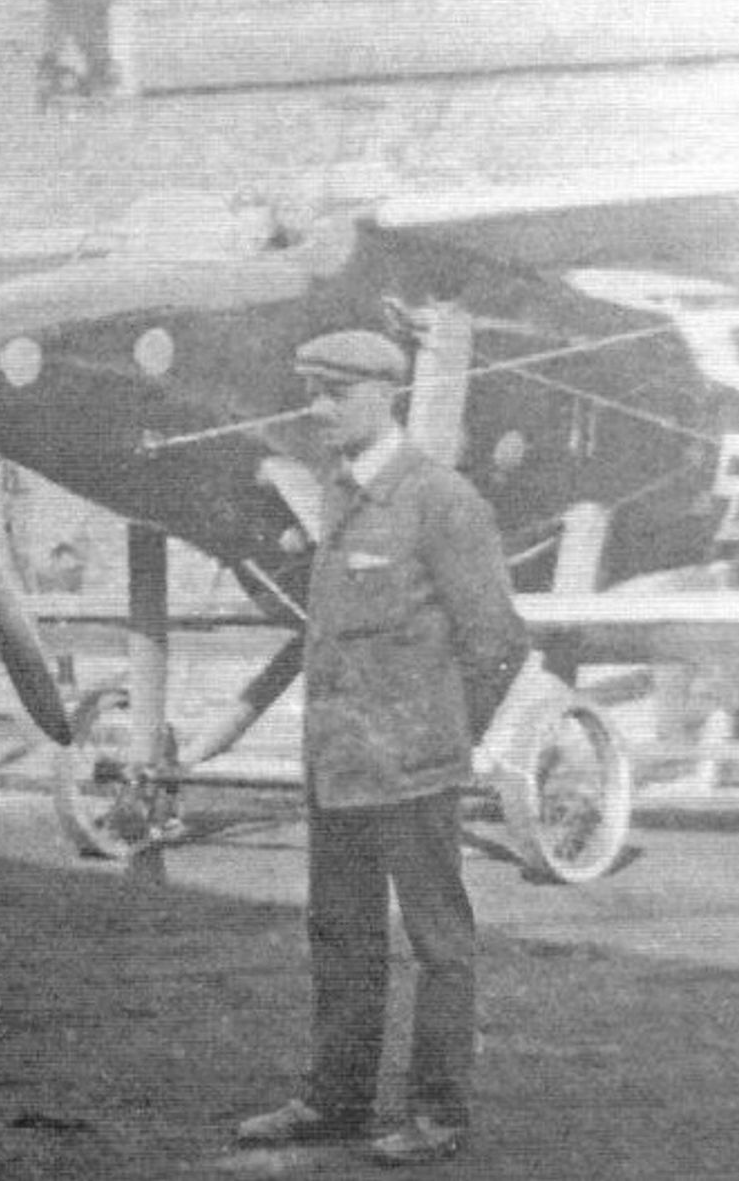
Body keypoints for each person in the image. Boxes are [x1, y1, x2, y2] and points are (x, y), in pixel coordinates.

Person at [190, 330, 526, 1165]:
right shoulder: (341, 492)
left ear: (388, 394)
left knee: (438, 941)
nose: (317, 405)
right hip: (340, 766)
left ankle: (437, 1113)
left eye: (336, 390)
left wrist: (444, 738)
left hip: (411, 770)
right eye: (311, 388)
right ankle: (336, 1099)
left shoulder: (441, 500)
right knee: (340, 934)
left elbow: (498, 642)